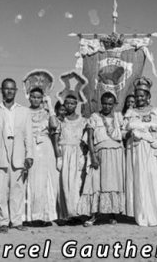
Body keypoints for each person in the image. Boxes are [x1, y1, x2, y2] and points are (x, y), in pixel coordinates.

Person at [0, 78, 35, 233]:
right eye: (6, 88)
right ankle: (3, 222)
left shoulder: (24, 111)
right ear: (2, 90)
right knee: (0, 190)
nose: (9, 91)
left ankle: (17, 220)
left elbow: (28, 135)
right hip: (0, 153)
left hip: (18, 153)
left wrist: (29, 155)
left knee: (17, 189)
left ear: (16, 91)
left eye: (12, 89)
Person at [124, 77, 157, 226]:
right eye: (137, 96)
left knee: (152, 178)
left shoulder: (156, 112)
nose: (139, 98)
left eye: (142, 95)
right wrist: (130, 134)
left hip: (151, 151)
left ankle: (156, 212)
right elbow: (122, 132)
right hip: (135, 151)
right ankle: (141, 213)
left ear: (148, 96)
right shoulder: (130, 112)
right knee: (139, 179)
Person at [84, 92, 127, 225]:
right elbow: (90, 138)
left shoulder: (119, 117)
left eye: (110, 104)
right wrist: (93, 156)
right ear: (100, 103)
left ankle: (112, 213)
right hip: (100, 154)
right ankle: (94, 215)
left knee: (114, 183)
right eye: (104, 103)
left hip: (116, 154)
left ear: (114, 104)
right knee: (97, 184)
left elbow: (125, 133)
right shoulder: (94, 117)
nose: (107, 106)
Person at [24, 87, 60, 226]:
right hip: (30, 146)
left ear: (42, 98)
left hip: (45, 146)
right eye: (33, 97)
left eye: (39, 97)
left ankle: (45, 216)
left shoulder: (47, 112)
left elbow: (54, 126)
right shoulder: (25, 112)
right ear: (29, 97)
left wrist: (50, 105)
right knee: (31, 180)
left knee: (45, 180)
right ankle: (30, 216)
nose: (35, 100)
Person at [57, 93, 91, 223]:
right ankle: (67, 214)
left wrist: (84, 156)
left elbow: (87, 140)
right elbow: (56, 139)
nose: (70, 105)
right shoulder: (61, 121)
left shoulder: (83, 121)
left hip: (78, 154)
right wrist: (58, 157)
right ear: (64, 105)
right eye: (67, 103)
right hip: (65, 154)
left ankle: (79, 213)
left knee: (78, 184)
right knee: (65, 183)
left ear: (76, 104)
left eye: (72, 103)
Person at [121, 94, 137, 217]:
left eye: (133, 101)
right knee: (129, 176)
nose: (130, 104)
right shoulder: (122, 117)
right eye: (128, 102)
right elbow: (121, 132)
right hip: (127, 147)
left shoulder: (139, 114)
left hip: (139, 148)